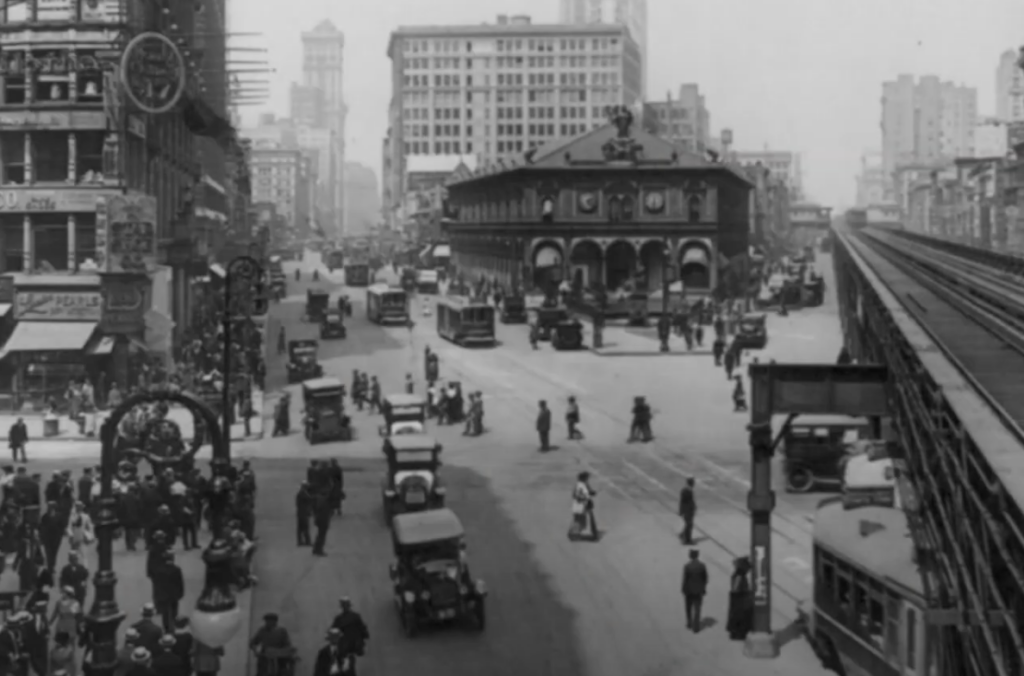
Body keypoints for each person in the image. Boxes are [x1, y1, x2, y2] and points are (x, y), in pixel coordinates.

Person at [726, 556, 754, 640]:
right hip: (739, 599)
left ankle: (737, 632)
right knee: (741, 616)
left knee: (737, 616)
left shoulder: (738, 574)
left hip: (737, 598)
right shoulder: (740, 576)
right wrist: (747, 593)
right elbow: (736, 588)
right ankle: (739, 633)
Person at [681, 549, 709, 633]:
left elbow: (685, 579)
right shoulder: (702, 566)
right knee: (697, 609)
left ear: (690, 556)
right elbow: (705, 578)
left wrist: (683, 589)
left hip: (689, 590)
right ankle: (696, 627)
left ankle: (689, 623)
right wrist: (703, 588)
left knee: (688, 608)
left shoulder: (687, 566)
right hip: (698, 590)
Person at [569, 472, 598, 541]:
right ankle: (577, 534)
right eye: (587, 477)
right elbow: (583, 494)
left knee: (579, 519)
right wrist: (590, 494)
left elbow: (585, 493)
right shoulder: (581, 485)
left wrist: (591, 492)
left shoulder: (582, 484)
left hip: (581, 504)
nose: (587, 479)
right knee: (581, 519)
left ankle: (575, 533)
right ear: (583, 478)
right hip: (582, 504)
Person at [678, 477, 697, 545]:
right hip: (687, 510)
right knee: (689, 524)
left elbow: (691, 501)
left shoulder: (689, 490)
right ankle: (686, 540)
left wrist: (694, 506)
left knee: (689, 524)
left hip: (689, 510)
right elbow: (683, 502)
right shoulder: (686, 491)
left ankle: (683, 535)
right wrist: (681, 511)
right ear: (691, 483)